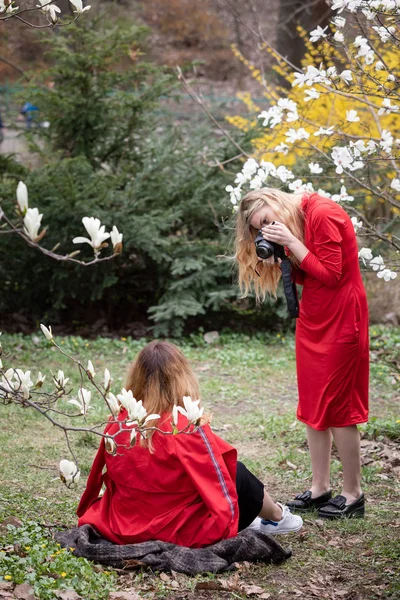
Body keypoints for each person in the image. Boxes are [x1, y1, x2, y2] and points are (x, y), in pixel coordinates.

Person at [77, 340, 303, 547]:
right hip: (175, 528)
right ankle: (276, 516)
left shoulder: (120, 419)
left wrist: (86, 507)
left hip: (123, 522)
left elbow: (97, 473)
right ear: (181, 376)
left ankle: (268, 516)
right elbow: (218, 477)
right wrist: (227, 526)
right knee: (237, 472)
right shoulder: (185, 426)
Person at [234, 188, 369, 519]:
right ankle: (320, 487)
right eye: (260, 228)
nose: (267, 227)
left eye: (266, 219)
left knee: (339, 406)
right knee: (313, 404)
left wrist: (293, 244)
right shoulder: (295, 224)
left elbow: (334, 275)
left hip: (341, 317)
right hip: (313, 318)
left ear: (273, 198)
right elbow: (311, 277)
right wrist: (283, 259)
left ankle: (353, 493)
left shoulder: (323, 213)